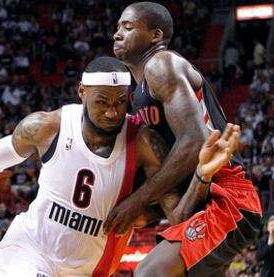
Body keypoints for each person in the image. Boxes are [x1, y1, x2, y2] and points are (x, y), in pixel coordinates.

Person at [0, 57, 240, 276]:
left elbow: (178, 217)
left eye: (121, 102)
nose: (112, 111)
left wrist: (203, 174)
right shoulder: (47, 126)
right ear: (81, 93)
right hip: (27, 250)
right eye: (102, 101)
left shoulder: (145, 146)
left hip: (90, 268)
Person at [105, 2, 262, 276]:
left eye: (128, 27)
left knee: (149, 273)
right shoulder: (138, 93)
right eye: (118, 27)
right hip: (197, 198)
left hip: (228, 197)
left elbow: (194, 142)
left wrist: (138, 200)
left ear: (155, 36)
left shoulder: (161, 64)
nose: (117, 34)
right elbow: (171, 171)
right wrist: (151, 210)